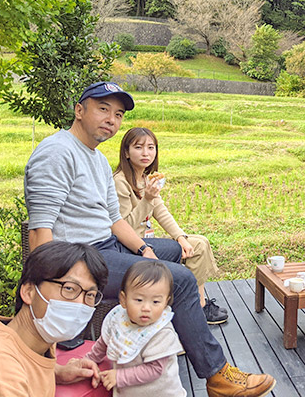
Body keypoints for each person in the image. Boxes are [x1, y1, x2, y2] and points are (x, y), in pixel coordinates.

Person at [24, 81, 276, 397]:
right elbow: (39, 229)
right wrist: (46, 290)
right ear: (79, 110)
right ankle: (217, 376)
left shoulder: (97, 159)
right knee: (181, 280)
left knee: (171, 251)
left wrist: (145, 249)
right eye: (103, 109)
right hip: (80, 258)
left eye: (117, 114)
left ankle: (160, 333)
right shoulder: (57, 152)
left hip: (106, 244)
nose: (111, 120)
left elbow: (114, 221)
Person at [114, 127, 227, 325]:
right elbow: (124, 226)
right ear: (126, 152)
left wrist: (180, 236)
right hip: (129, 245)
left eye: (151, 147)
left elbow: (161, 211)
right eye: (138, 147)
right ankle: (197, 308)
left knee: (197, 242)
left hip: (147, 240)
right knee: (199, 247)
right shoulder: (120, 182)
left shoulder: (146, 179)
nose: (145, 153)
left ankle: (194, 304)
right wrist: (147, 199)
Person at [0, 241, 109, 396]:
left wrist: (58, 372)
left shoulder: (41, 340)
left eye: (90, 295)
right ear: (29, 292)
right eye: (69, 288)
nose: (80, 303)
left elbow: (26, 361)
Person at [85, 261, 186, 396]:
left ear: (166, 302)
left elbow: (155, 369)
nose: (146, 308)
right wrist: (90, 359)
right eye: (139, 300)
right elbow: (105, 341)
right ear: (123, 299)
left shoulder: (161, 332)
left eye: (156, 302)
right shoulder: (118, 318)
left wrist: (119, 377)